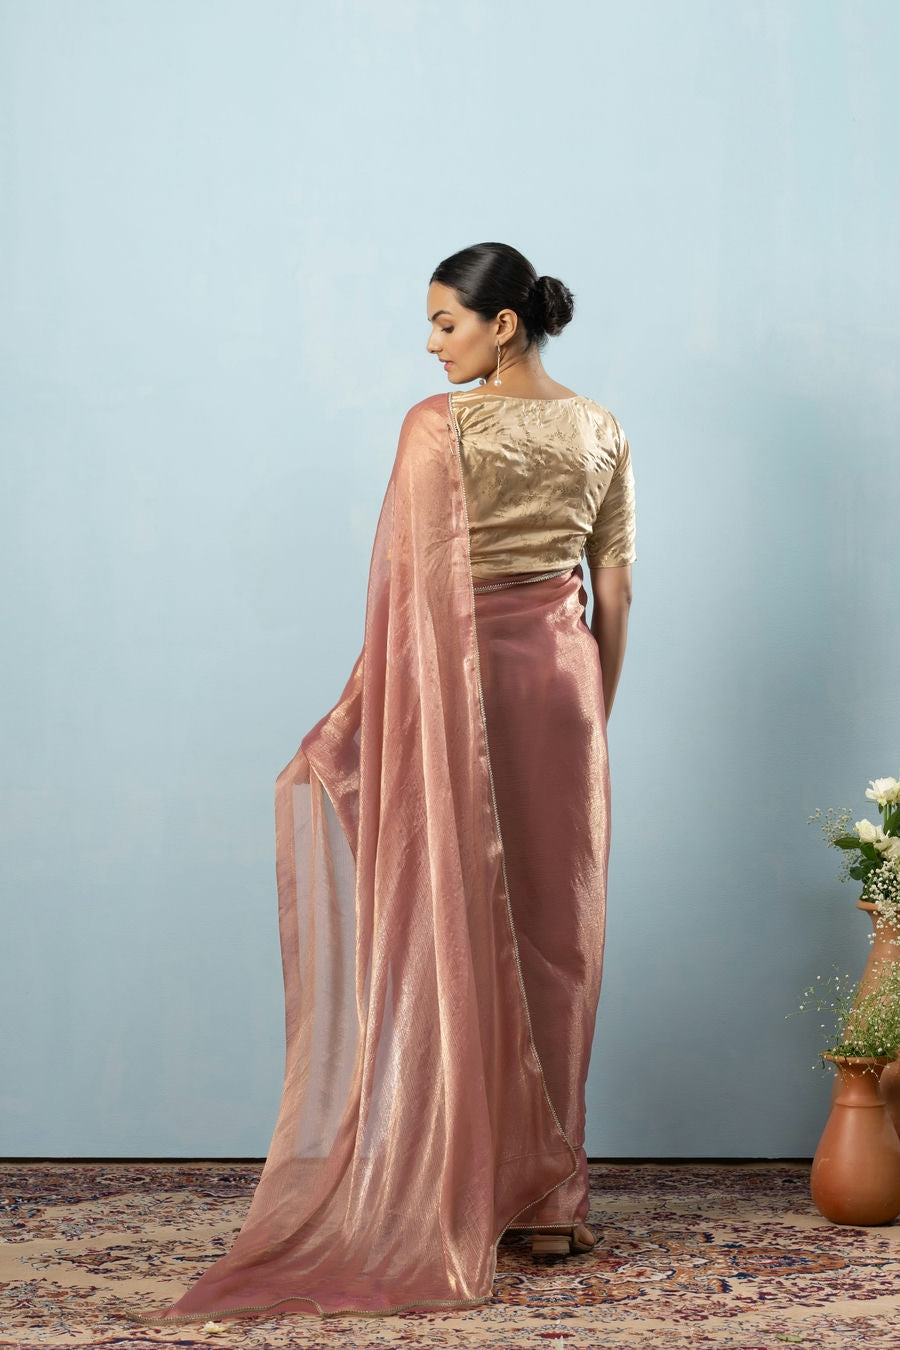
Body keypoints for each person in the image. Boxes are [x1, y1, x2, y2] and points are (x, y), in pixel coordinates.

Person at [123, 242, 635, 1325]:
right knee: (560, 936)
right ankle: (554, 1199)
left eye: (447, 322)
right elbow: (615, 585)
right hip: (564, 682)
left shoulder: (437, 427)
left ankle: (474, 1182)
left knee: (459, 919)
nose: (433, 344)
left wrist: (362, 711)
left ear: (503, 325)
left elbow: (407, 592)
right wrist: (595, 705)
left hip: (462, 684)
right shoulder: (602, 427)